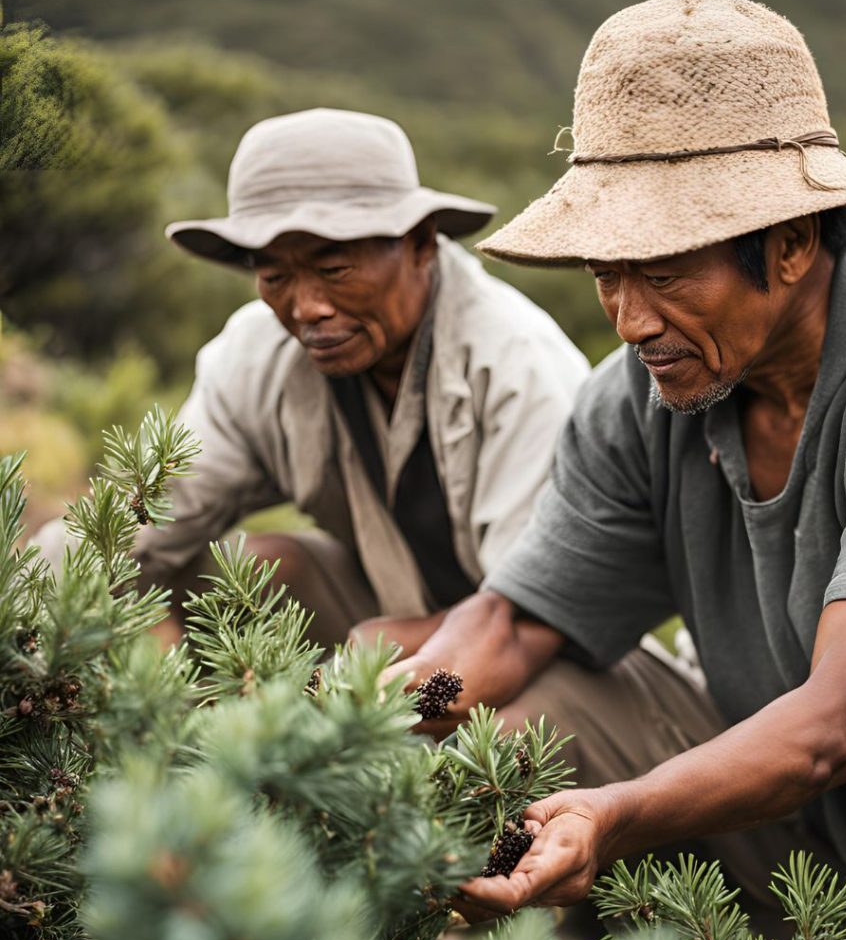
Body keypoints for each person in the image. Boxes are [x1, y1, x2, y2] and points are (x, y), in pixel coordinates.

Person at [373, 0, 846, 940]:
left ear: (794, 241)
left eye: (665, 273)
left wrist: (612, 814)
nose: (631, 320)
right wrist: (353, 727)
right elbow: (512, 619)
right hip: (802, 832)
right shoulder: (643, 394)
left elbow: (839, 725)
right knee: (512, 707)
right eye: (606, 276)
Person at [123, 108, 590, 648]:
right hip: (391, 602)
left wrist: (369, 658)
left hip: (538, 647)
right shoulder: (258, 355)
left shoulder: (515, 365)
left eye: (335, 270)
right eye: (275, 276)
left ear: (419, 243)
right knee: (243, 577)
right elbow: (142, 519)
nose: (307, 308)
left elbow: (532, 612)